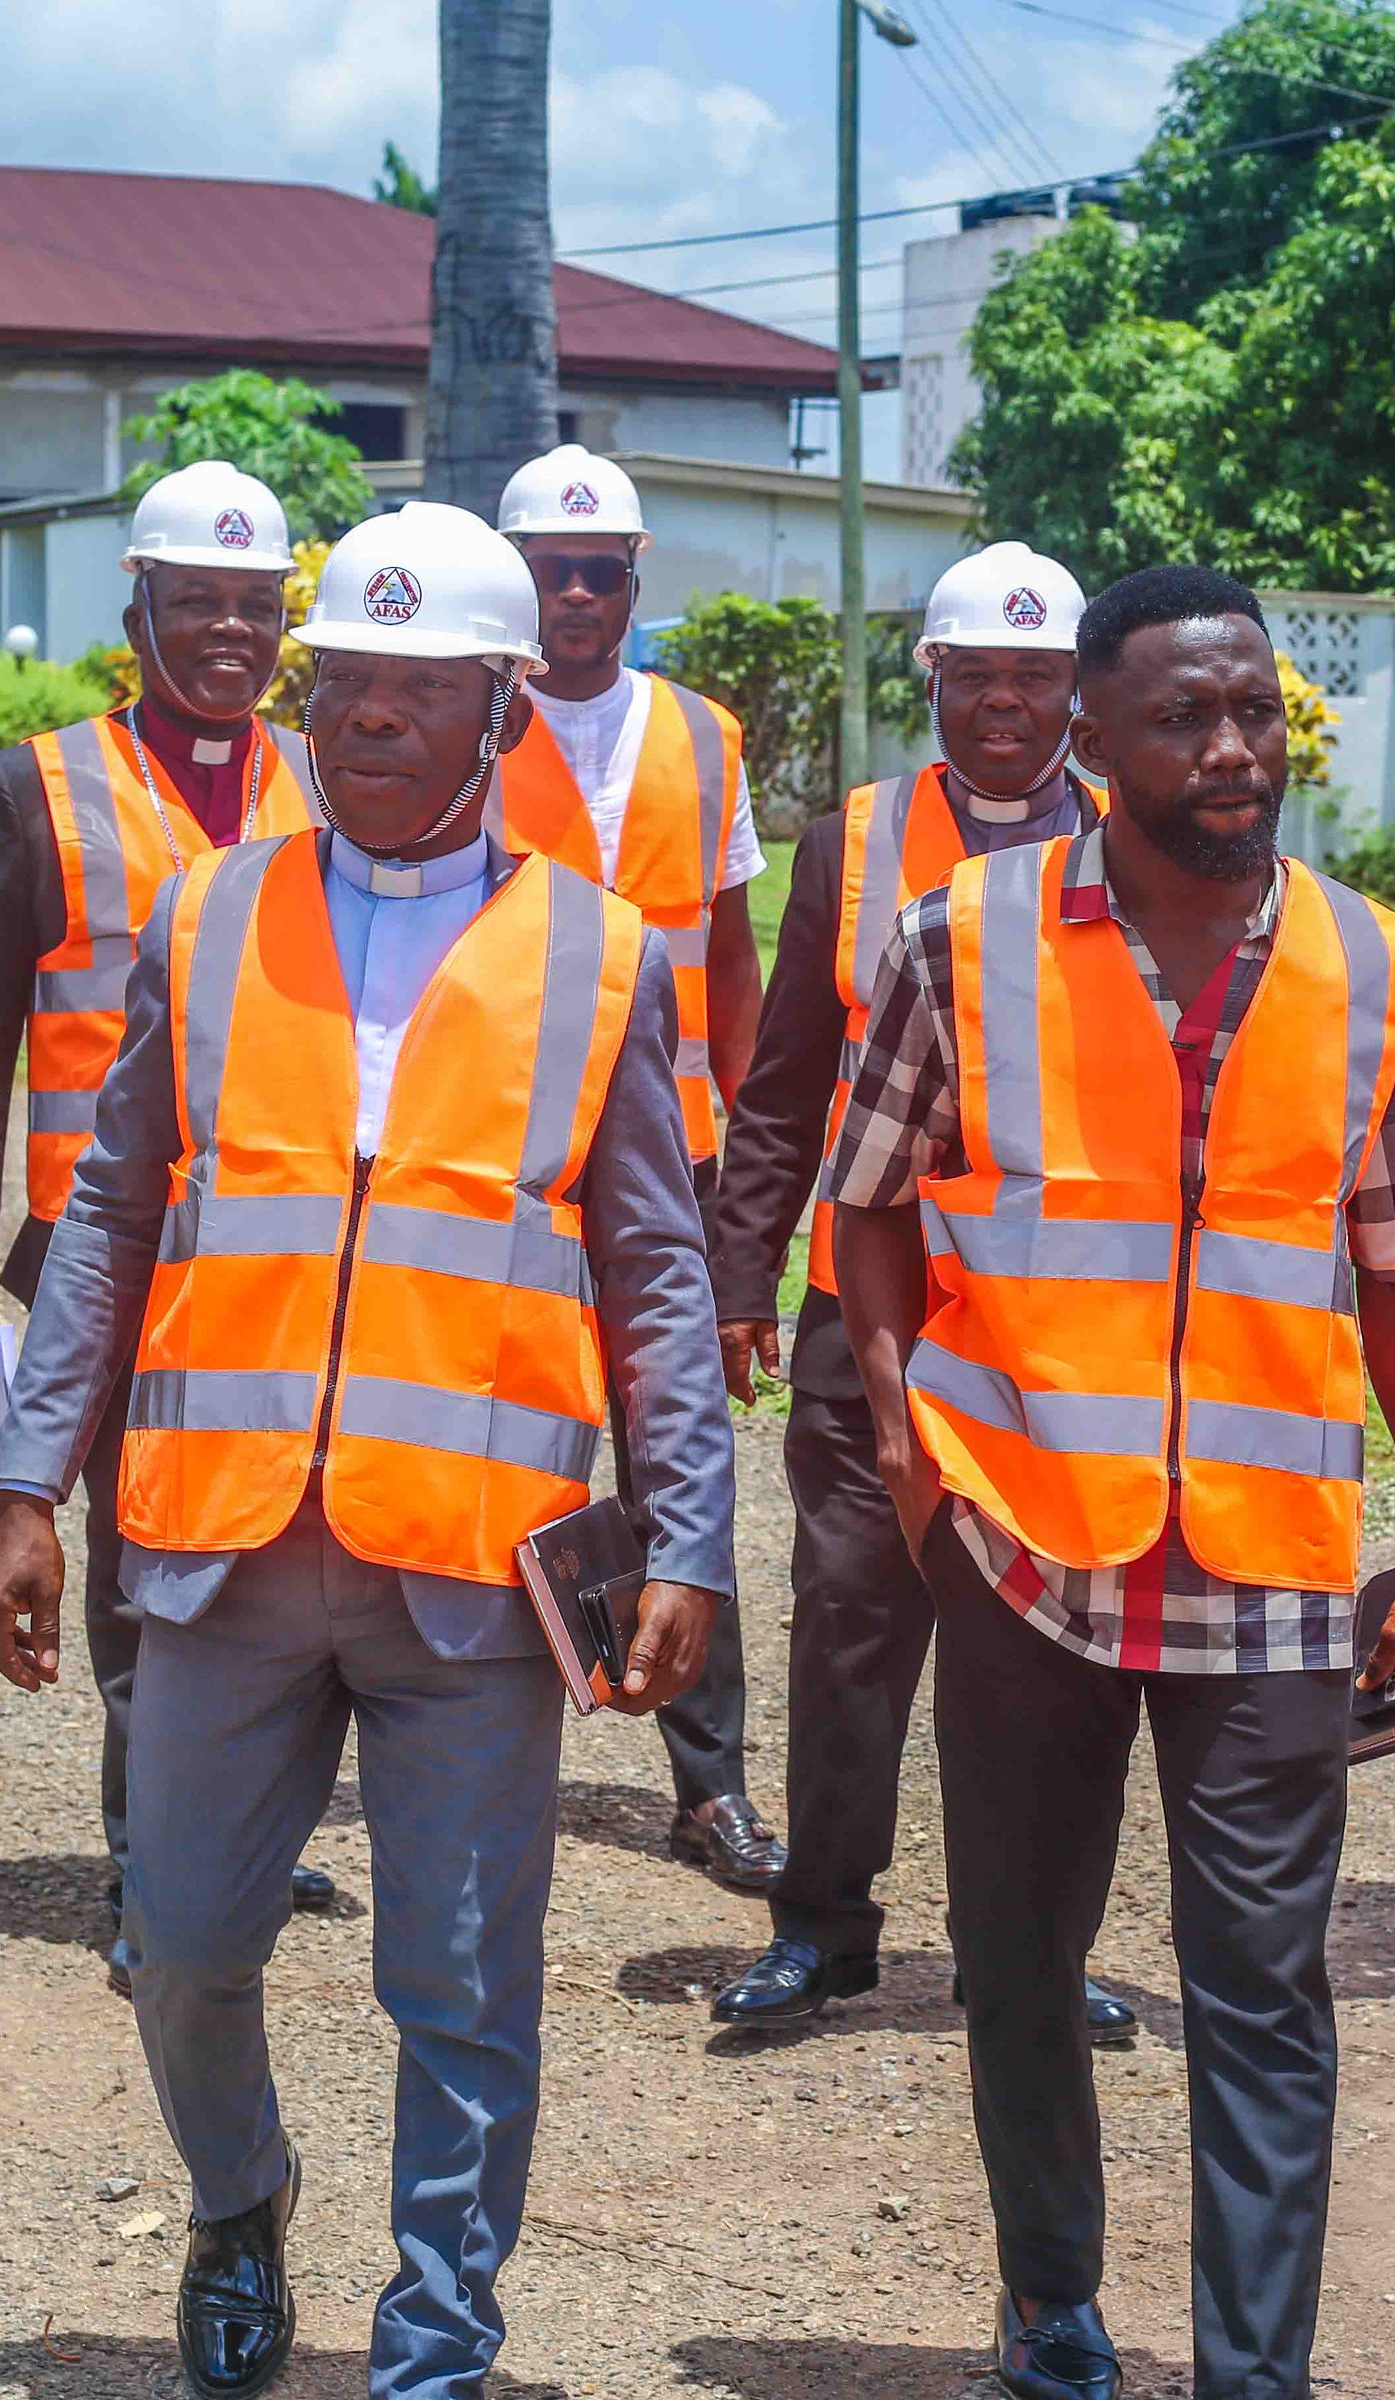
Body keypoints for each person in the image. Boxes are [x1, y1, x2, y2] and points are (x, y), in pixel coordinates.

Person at [0, 501, 734, 2400]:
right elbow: (109, 1212)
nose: (369, 717)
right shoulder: (214, 916)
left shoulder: (598, 955)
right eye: (346, 684)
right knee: (182, 1942)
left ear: (502, 713)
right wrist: (24, 1485)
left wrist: (693, 1542)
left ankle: (435, 2334)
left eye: (419, 688)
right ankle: (241, 2202)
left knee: (459, 1982)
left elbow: (656, 1272)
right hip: (223, 1546)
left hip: (471, 1567)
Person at [831, 565, 1395, 2400]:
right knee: (1017, 1955)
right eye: (1184, 717)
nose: (1231, 747)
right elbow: (866, 1205)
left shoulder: (1368, 962)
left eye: (1254, 710)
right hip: (1024, 1539)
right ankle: (1051, 2308)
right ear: (1093, 738)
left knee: (1263, 1987)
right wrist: (903, 1442)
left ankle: (1251, 2372)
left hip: (1269, 1560)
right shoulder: (959, 940)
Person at [702, 542, 1142, 2044]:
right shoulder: (855, 840)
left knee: (1050, 1654)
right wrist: (742, 1271)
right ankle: (821, 1927)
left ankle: (1022, 1948)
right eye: (978, 677)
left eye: (1036, 678)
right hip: (867, 1309)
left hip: (1052, 1326)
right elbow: (781, 1084)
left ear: (1080, 695)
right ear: (933, 682)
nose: (1005, 704)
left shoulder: (1134, 840)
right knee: (851, 1621)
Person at [0, 462, 336, 1995]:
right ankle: (150, 1862)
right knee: (133, 1555)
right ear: (139, 609)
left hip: (283, 1247)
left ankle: (245, 1834)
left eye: (256, 606)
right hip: (97, 1248)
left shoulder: (328, 777)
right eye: (199, 602)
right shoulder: (40, 786)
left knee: (273, 1544)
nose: (230, 632)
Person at [488, 442, 781, 1893]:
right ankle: (481, 1742)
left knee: (681, 1455)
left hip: (680, 1158)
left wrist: (752, 1172)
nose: (576, 596)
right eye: (550, 573)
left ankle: (709, 1785)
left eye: (600, 572)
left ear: (633, 578)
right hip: (518, 1154)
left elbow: (732, 951)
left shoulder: (707, 737)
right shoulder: (469, 724)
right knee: (506, 1447)